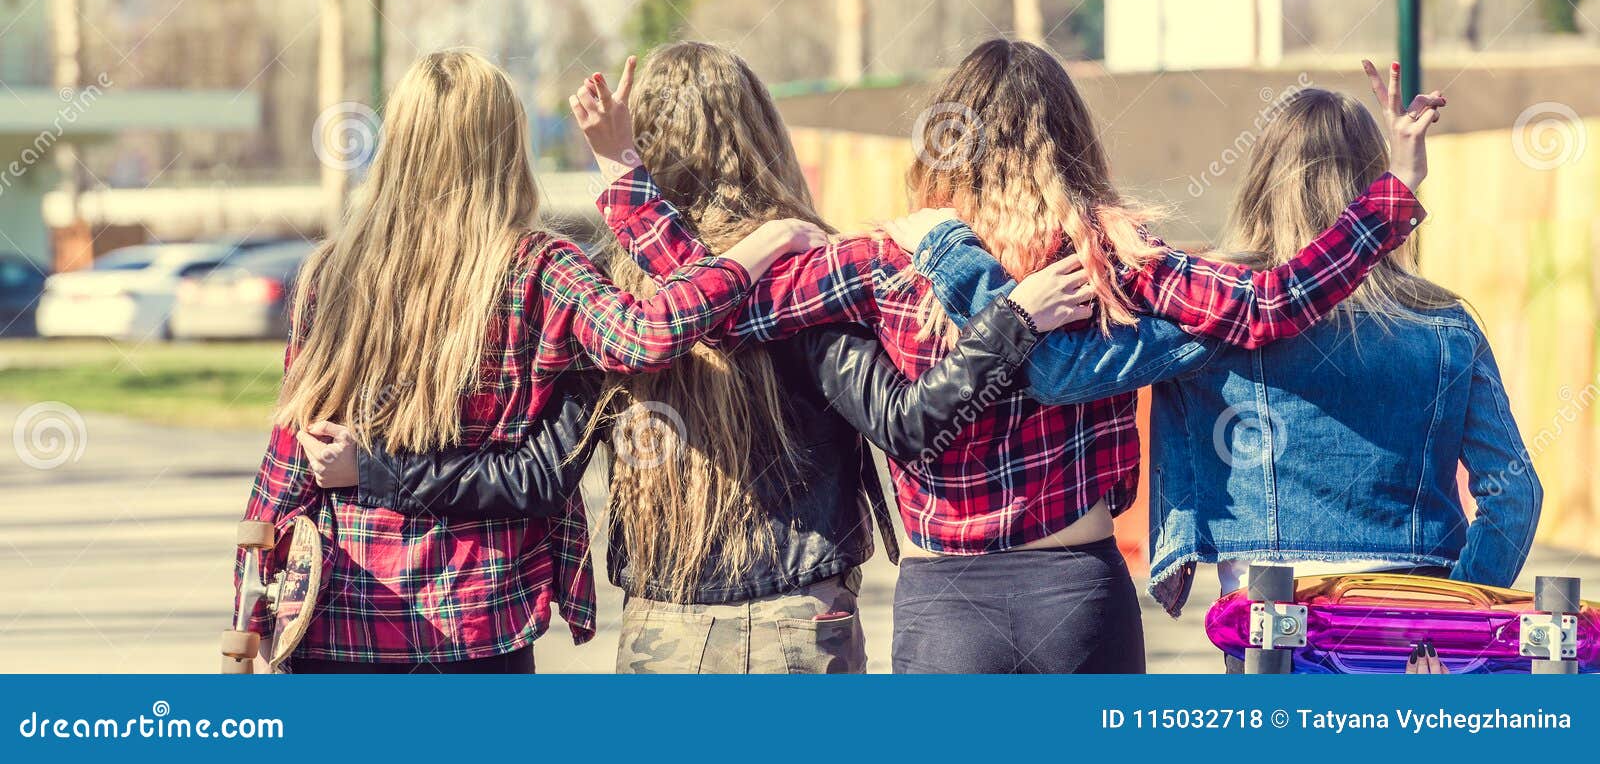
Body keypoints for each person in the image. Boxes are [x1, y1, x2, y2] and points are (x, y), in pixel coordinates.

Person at [581, 39, 1433, 673]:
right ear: (1071, 138)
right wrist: (1394, 190)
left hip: (946, 608)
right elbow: (1267, 305)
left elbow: (712, 305)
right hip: (1081, 594)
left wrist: (627, 177)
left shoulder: (886, 259)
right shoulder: (1114, 253)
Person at [305, 42, 1095, 673]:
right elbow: (904, 420)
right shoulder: (811, 273)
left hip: (662, 630)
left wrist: (377, 470)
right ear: (764, 136)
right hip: (802, 616)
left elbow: (539, 471)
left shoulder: (607, 287)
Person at [235, 49, 828, 674]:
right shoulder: (540, 266)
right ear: (506, 146)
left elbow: (285, 460)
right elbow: (648, 335)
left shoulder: (332, 273)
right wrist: (765, 244)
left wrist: (246, 626)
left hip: (343, 622)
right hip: (475, 625)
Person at [892, 69, 1540, 630]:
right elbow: (1514, 496)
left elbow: (1060, 376)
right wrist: (1456, 604)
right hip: (1416, 615)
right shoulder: (1446, 326)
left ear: (1259, 185)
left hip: (1273, 615)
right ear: (1369, 187)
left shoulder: (1211, 320)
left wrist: (956, 261)